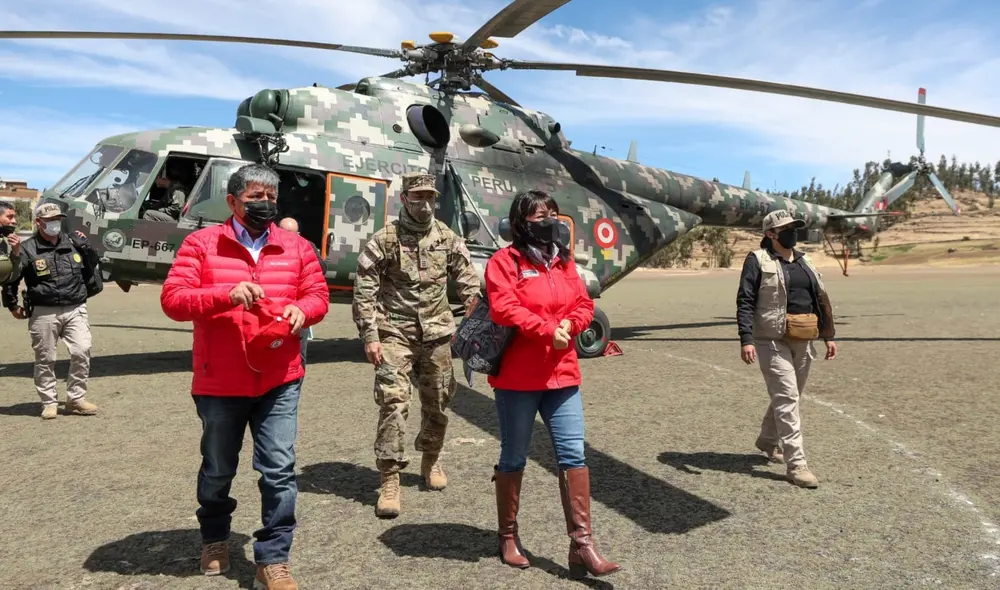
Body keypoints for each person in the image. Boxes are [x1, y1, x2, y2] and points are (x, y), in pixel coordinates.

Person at [159, 163, 329, 590]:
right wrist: (224, 294)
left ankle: (272, 557)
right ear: (233, 201)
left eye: (271, 198)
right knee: (218, 469)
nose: (265, 204)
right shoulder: (201, 244)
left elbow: (318, 295)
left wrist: (302, 310)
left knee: (279, 469)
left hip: (280, 376)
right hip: (220, 380)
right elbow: (173, 300)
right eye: (256, 197)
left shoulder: (297, 247)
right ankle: (215, 538)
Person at [483, 189, 621, 579]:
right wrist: (547, 329)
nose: (548, 219)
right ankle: (508, 536)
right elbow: (504, 307)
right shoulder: (504, 261)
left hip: (562, 375)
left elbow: (583, 304)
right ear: (520, 223)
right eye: (538, 214)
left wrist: (570, 325)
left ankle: (583, 546)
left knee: (573, 455)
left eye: (552, 213)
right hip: (518, 379)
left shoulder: (563, 262)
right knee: (514, 456)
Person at [352, 171, 480, 518]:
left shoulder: (446, 237)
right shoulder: (385, 240)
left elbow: (468, 279)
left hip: (438, 333)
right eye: (418, 197)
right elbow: (365, 291)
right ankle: (390, 477)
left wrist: (474, 312)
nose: (425, 204)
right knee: (393, 401)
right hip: (395, 331)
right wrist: (370, 335)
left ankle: (431, 459)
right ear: (405, 199)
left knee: (438, 401)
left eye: (431, 198)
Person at [735, 209, 837, 489]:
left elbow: (820, 299)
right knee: (787, 396)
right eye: (786, 228)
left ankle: (767, 440)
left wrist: (828, 335)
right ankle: (797, 465)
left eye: (795, 227)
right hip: (770, 339)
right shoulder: (757, 260)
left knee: (790, 395)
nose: (793, 232)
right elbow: (744, 300)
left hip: (803, 336)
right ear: (770, 234)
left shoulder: (806, 262)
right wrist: (746, 339)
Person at [1, 202, 101, 419]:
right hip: (43, 311)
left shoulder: (73, 242)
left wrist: (86, 247)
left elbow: (93, 264)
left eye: (58, 219)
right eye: (49, 220)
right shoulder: (27, 248)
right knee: (45, 358)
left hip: (75, 306)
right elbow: (12, 278)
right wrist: (11, 304)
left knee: (82, 350)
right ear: (39, 222)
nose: (55, 223)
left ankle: (75, 399)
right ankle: (49, 402)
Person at [277, 217, 328, 367]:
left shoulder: (307, 246)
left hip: (298, 310)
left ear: (298, 234)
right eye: (283, 233)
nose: (287, 238)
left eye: (291, 234)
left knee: (299, 356)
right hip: (273, 310)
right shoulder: (267, 246)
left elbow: (322, 269)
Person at [0, 200, 23, 284]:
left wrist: (16, 251)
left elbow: (11, 277)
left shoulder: (5, 242)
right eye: (10, 217)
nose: (14, 221)